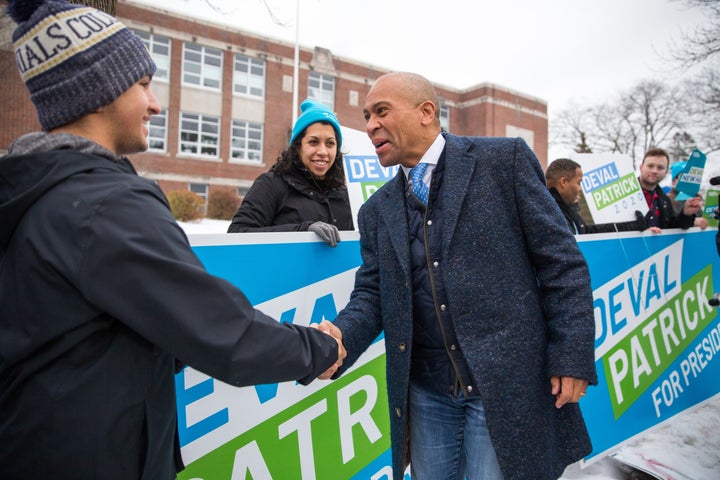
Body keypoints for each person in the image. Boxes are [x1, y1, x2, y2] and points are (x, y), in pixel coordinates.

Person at [0, 1, 344, 479]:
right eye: (143, 85)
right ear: (101, 93)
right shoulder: (105, 205)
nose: (156, 104)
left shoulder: (38, 194)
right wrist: (317, 348)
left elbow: (125, 328)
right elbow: (217, 329)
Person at [318, 72, 598, 480]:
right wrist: (341, 338)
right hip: (427, 393)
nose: (370, 125)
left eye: (381, 111)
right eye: (366, 116)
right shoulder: (376, 211)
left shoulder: (504, 161)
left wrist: (571, 356)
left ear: (426, 112)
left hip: (504, 386)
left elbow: (563, 265)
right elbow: (374, 293)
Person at [227, 99, 353, 247]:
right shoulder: (271, 184)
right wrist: (302, 231)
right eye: (313, 142)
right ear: (298, 146)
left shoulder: (344, 193)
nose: (323, 152)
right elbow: (237, 234)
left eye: (330, 143)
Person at [546, 158, 646, 234]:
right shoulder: (548, 214)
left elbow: (587, 232)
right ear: (564, 182)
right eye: (579, 183)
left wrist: (633, 225)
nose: (580, 189)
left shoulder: (566, 210)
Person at [638, 148, 702, 232]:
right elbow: (616, 227)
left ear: (666, 171)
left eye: (660, 167)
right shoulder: (624, 194)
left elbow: (673, 228)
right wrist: (643, 232)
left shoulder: (664, 200)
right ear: (641, 167)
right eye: (650, 166)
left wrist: (686, 213)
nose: (654, 171)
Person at [666, 161, 708, 229]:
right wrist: (693, 222)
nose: (689, 180)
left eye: (692, 177)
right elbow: (668, 225)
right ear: (674, 181)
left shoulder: (695, 198)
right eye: (685, 177)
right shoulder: (668, 199)